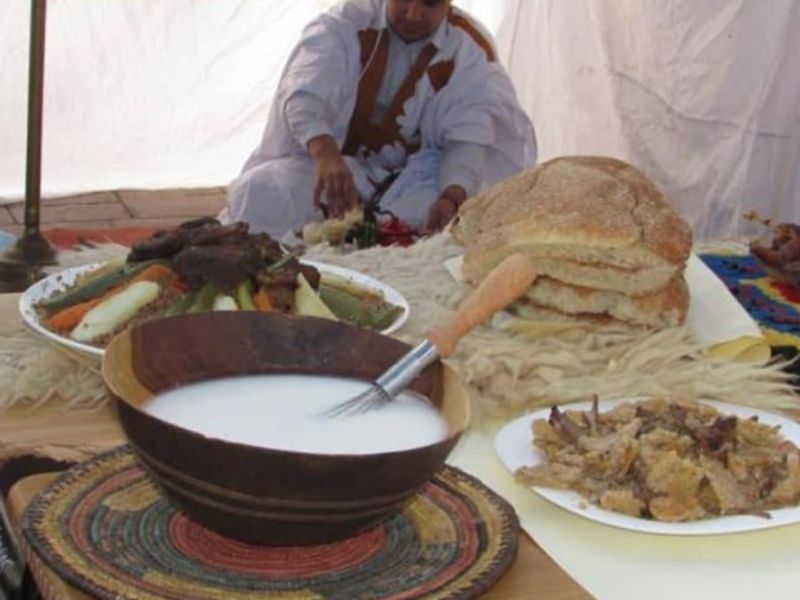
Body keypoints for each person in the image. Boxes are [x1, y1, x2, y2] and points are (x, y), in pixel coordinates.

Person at [220, 0, 536, 240]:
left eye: (430, 3)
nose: (413, 14)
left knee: (449, 218)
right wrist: (326, 156)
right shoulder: (348, 20)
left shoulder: (469, 49)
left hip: (413, 180)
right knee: (258, 191)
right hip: (338, 170)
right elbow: (304, 94)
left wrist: (451, 197)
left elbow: (469, 138)